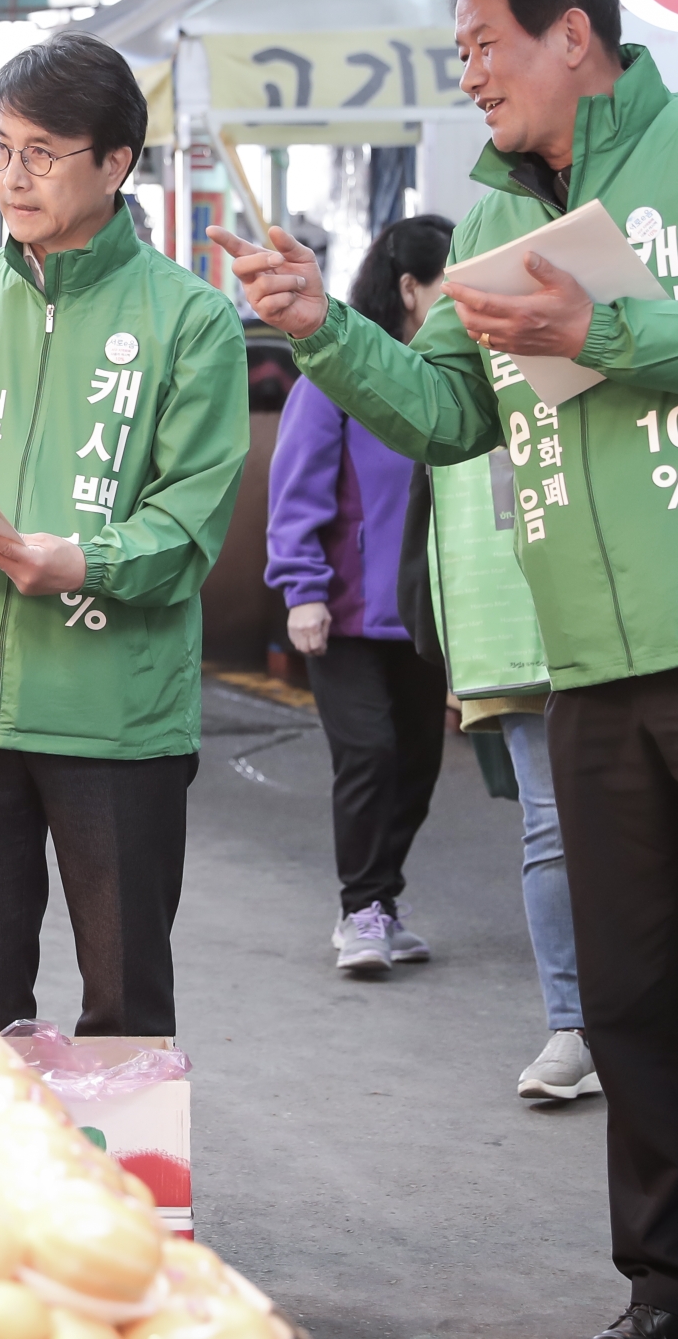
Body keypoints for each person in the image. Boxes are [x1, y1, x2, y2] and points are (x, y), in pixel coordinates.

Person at [211, 0, 678, 1339]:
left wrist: (606, 329)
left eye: (485, 45)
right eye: (462, 53)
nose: (470, 76)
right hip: (587, 663)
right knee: (630, 1001)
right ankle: (675, 1293)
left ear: (575, 37)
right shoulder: (488, 218)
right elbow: (450, 415)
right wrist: (322, 331)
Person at [0, 33, 249, 1037]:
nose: (14, 175)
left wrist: (80, 561)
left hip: (111, 710)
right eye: (0, 148)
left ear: (115, 164)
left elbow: (189, 517)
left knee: (125, 1004)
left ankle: (127, 1151)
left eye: (42, 152)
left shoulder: (190, 320)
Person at [265, 214, 455, 979]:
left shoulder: (452, 381)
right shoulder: (338, 371)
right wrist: (302, 589)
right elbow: (296, 485)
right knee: (369, 754)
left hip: (426, 614)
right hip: (342, 614)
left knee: (418, 763)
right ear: (410, 289)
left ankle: (382, 901)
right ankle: (362, 909)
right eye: (451, 287)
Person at [395, 460, 588, 1101]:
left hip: (635, 600)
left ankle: (647, 1017)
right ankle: (572, 1025)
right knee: (550, 821)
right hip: (513, 616)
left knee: (656, 823)